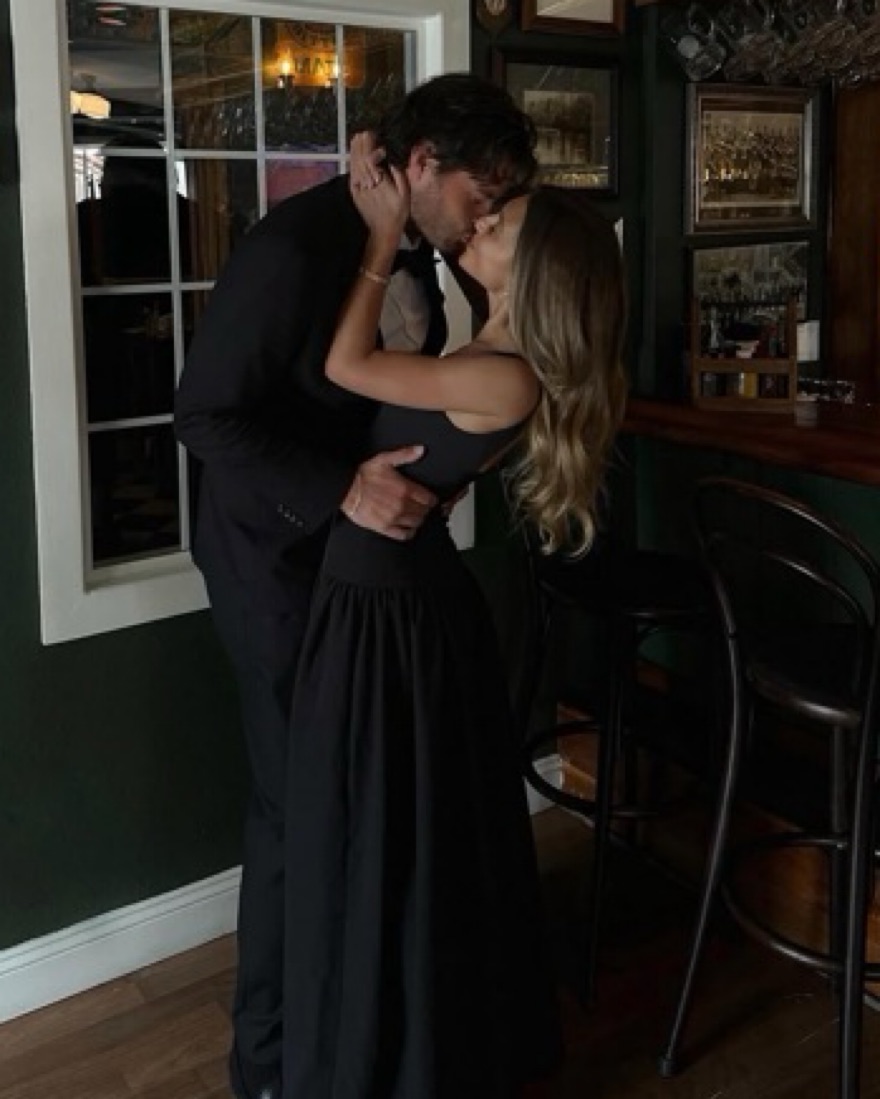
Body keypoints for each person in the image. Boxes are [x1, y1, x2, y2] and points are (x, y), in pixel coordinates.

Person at [174, 73, 538, 1099]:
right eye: (483, 191)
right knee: (296, 814)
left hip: (364, 579)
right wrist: (345, 489)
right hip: (276, 567)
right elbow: (204, 413)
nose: (488, 214)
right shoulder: (293, 249)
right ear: (422, 165)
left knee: (351, 815)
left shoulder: (430, 251)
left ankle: (363, 1039)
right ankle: (270, 1063)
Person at [279, 136, 629, 1097]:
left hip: (391, 610)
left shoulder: (505, 374)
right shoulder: (486, 350)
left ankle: (397, 1054)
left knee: (385, 836)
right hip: (387, 600)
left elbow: (347, 363)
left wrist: (382, 234)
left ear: (537, 271)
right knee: (386, 834)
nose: (479, 225)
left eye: (499, 226)